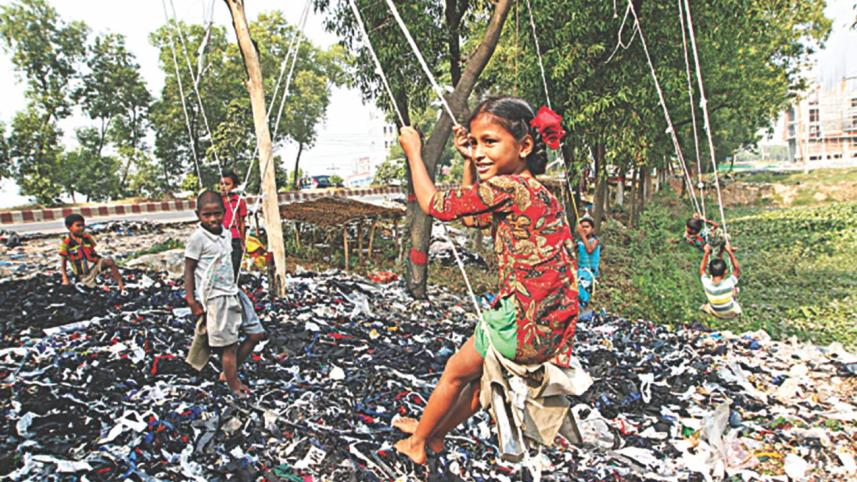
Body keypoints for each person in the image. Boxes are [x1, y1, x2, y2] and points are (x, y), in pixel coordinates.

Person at [393, 96, 578, 464]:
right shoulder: (536, 192)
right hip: (547, 329)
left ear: (524, 145)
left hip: (518, 321)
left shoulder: (508, 189)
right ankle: (435, 434)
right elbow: (473, 218)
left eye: (489, 142)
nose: (478, 152)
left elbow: (434, 205)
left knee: (453, 375)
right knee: (479, 385)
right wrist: (467, 162)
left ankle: (417, 445)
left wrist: (415, 152)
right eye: (474, 143)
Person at [184, 191, 266, 396]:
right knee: (229, 347)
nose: (213, 219)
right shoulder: (197, 239)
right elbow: (189, 269)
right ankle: (233, 384)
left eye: (217, 214)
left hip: (233, 292)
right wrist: (191, 300)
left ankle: (228, 373)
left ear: (224, 213)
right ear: (198, 215)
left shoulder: (227, 234)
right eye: (207, 215)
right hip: (216, 299)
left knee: (256, 334)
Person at [59, 214, 125, 291]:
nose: (81, 228)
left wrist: (100, 262)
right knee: (95, 289)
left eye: (83, 225)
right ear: (69, 227)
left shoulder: (87, 238)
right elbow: (63, 263)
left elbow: (93, 252)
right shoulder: (67, 243)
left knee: (109, 261)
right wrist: (65, 279)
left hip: (94, 267)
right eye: (78, 226)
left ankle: (121, 285)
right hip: (84, 275)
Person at [699, 243, 742, 318]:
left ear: (709, 272)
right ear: (725, 272)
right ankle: (733, 296)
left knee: (707, 305)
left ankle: (707, 308)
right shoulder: (729, 283)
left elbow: (702, 270)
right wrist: (730, 252)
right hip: (732, 311)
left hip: (715, 311)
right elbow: (737, 269)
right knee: (736, 290)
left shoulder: (706, 283)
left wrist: (706, 253)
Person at [220, 170, 247, 278]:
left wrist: (243, 241)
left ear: (234, 186)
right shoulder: (216, 200)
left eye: (227, 184)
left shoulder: (239, 201)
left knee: (234, 265)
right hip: (219, 238)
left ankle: (232, 288)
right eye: (221, 184)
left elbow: (242, 223)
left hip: (234, 238)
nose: (223, 187)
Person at [575, 216, 601, 309]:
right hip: (580, 271)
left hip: (589, 273)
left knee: (584, 291)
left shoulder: (595, 241)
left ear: (592, 229)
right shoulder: (579, 242)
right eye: (583, 227)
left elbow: (589, 250)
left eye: (587, 227)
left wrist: (582, 235)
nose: (584, 229)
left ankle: (582, 308)